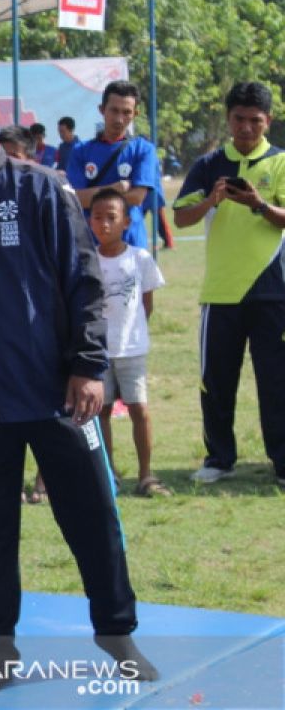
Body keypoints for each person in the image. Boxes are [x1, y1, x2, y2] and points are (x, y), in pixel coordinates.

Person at [0, 63, 156, 694]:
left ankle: (117, 635)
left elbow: (83, 282)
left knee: (91, 516)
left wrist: (89, 367)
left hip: (58, 396)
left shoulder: (39, 188)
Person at [173, 81, 285, 486]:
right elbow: (181, 218)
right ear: (228, 119)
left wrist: (258, 204)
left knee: (277, 382)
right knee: (216, 382)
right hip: (220, 293)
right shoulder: (208, 165)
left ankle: (282, 462)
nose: (247, 128)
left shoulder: (281, 162)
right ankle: (219, 458)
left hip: (274, 292)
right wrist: (211, 201)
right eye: (239, 119)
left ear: (268, 121)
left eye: (255, 120)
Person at [89, 188, 169, 497]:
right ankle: (108, 473)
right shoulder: (89, 261)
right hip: (99, 351)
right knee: (102, 412)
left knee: (139, 410)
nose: (104, 224)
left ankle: (146, 474)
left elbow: (146, 304)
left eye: (112, 218)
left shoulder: (140, 258)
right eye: (97, 218)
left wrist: (134, 333)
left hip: (132, 348)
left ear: (126, 222)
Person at [66, 81, 159, 249]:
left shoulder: (143, 150)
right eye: (114, 110)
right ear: (102, 109)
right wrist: (116, 189)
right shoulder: (81, 151)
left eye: (126, 112)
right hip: (90, 244)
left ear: (135, 114)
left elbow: (137, 197)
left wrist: (92, 195)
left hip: (131, 243)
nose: (119, 119)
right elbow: (76, 199)